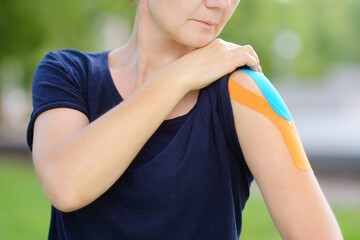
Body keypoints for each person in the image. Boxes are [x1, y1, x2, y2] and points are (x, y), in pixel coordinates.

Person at [26, 0, 343, 239]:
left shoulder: (244, 92)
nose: (220, 4)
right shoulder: (67, 72)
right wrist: (182, 74)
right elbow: (66, 185)